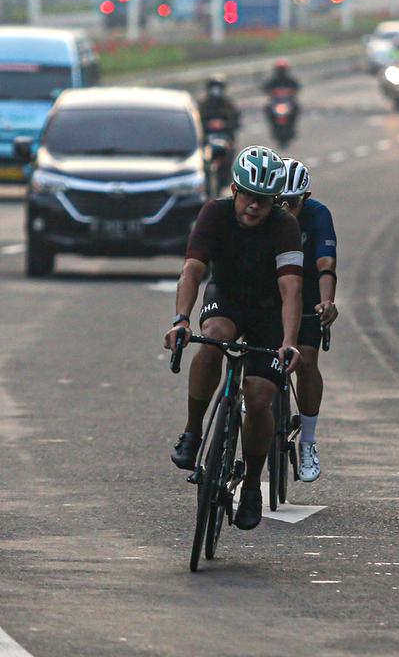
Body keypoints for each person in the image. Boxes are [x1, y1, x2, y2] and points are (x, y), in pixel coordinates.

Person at [163, 145, 304, 531]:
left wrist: (289, 341)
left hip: (267, 310)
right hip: (225, 298)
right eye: (247, 196)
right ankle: (193, 431)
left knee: (259, 397)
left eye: (263, 200)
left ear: (274, 202)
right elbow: (192, 271)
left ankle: (253, 484)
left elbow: (291, 288)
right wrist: (181, 320)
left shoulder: (284, 226)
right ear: (233, 189)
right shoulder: (214, 213)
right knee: (213, 339)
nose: (254, 207)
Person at [276, 159, 338, 482]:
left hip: (309, 284)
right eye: (279, 202)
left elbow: (327, 264)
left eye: (293, 203)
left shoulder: (318, 215)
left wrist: (327, 301)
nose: (285, 209)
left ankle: (309, 441)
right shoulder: (263, 212)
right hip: (272, 283)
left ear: (306, 197)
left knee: (307, 359)